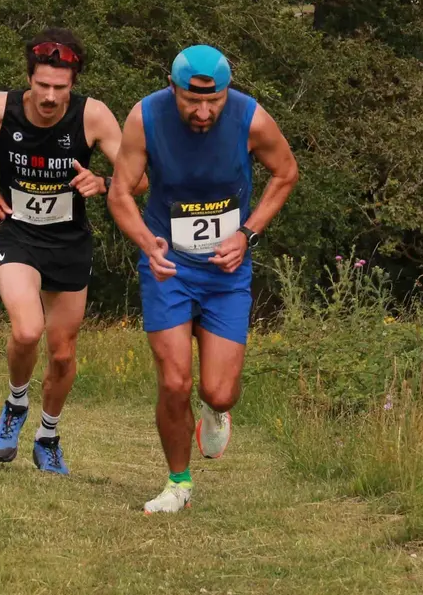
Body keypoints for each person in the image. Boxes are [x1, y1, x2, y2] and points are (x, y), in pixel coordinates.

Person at [107, 44, 299, 513]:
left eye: (213, 100)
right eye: (192, 101)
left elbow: (286, 173)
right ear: (172, 88)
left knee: (218, 389)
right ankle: (179, 484)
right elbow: (119, 194)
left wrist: (247, 234)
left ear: (226, 91)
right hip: (167, 265)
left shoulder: (251, 118)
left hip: (226, 270)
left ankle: (216, 410)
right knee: (174, 383)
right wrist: (145, 242)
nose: (203, 111)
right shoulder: (145, 117)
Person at [0, 28, 130, 474]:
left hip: (69, 242)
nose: (50, 97)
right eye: (42, 85)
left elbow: (139, 176)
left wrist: (104, 182)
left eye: (60, 88)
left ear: (74, 83)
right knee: (28, 330)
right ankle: (15, 405)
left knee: (63, 352)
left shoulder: (94, 117)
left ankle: (48, 436)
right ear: (29, 78)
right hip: (17, 234)